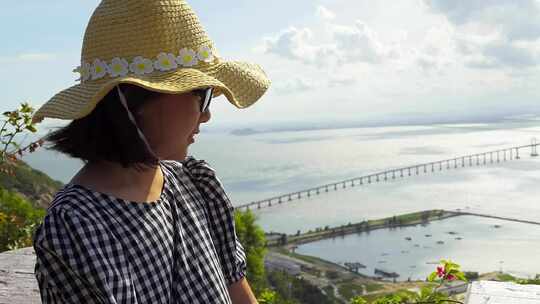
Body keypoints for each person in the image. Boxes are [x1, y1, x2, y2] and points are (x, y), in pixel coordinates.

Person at [30, 0, 270, 303]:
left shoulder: (197, 184)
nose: (207, 115)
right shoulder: (76, 226)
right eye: (201, 93)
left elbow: (237, 291)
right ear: (133, 101)